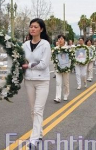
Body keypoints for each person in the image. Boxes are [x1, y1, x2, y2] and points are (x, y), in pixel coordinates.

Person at [21, 18, 51, 149]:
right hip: (29, 81)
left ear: (41, 29)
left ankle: (33, 140)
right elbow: (19, 60)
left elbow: (44, 64)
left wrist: (29, 65)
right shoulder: (25, 45)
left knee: (38, 110)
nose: (32, 29)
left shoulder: (45, 44)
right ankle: (39, 132)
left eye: (35, 27)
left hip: (42, 81)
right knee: (33, 110)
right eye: (31, 26)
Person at [53, 35, 70, 103]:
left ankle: (65, 95)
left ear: (64, 40)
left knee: (66, 83)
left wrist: (69, 67)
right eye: (59, 39)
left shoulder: (68, 49)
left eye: (62, 39)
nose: (60, 40)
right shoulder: (55, 49)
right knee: (58, 82)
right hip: (58, 68)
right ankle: (58, 97)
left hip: (66, 68)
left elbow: (71, 58)